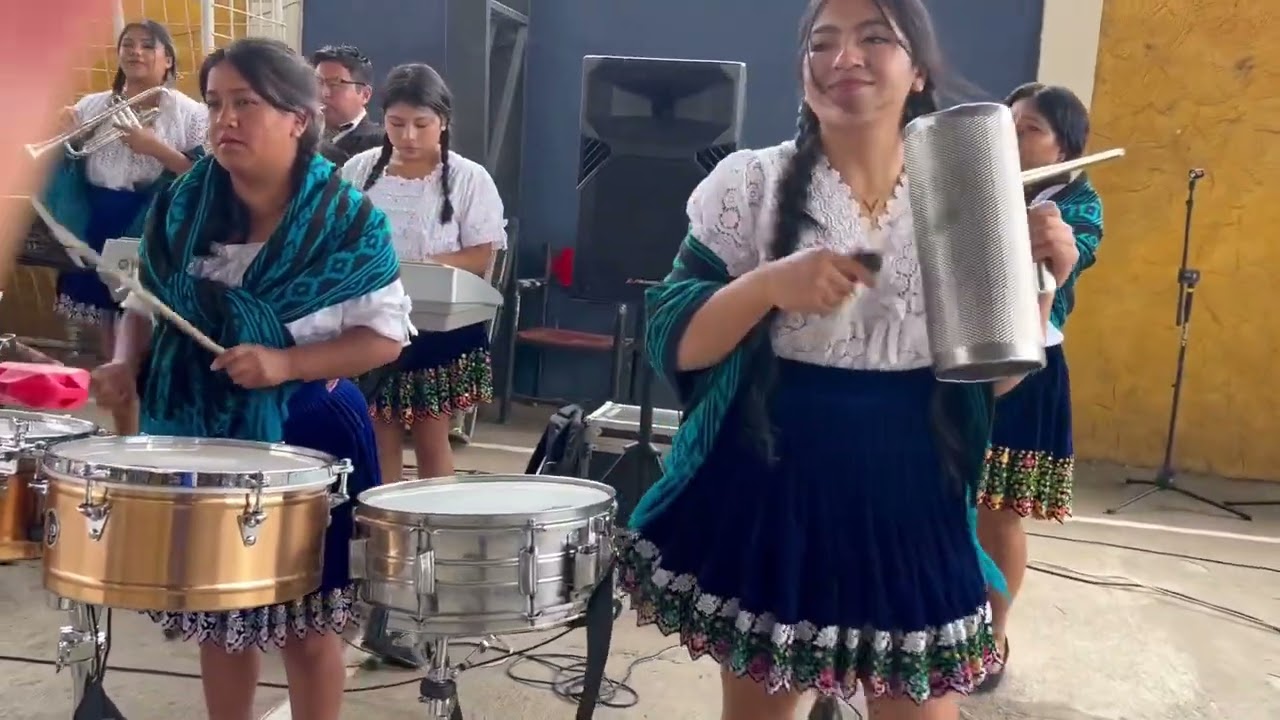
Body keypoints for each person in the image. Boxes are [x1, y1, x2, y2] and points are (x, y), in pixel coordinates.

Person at [615, 1, 1080, 719]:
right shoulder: (751, 184)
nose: (844, 58)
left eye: (874, 38)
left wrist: (1045, 282)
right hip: (775, 479)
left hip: (914, 483)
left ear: (919, 70)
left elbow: (996, 381)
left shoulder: (968, 196)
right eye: (822, 43)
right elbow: (673, 338)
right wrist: (768, 286)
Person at [88, 37, 410, 720]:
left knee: (307, 631)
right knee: (221, 620)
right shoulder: (183, 203)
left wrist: (286, 364)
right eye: (214, 104)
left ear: (298, 118)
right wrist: (123, 361)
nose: (225, 119)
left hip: (309, 440)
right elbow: (146, 298)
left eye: (246, 103)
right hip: (202, 441)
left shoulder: (345, 221)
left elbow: (384, 338)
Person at [340, 63, 505, 669]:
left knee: (431, 433)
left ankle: (437, 548)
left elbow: (482, 253)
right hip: (373, 321)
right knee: (377, 429)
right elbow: (338, 236)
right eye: (396, 123)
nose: (407, 136)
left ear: (443, 123)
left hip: (440, 323)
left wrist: (423, 266)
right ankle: (389, 551)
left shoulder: (468, 177)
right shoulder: (360, 170)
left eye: (420, 124)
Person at [974, 81, 1103, 691]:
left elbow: (1074, 257)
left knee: (997, 512)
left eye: (1031, 130)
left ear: (1063, 147)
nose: (1015, 137)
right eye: (1009, 125)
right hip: (952, 362)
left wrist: (1052, 247)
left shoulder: (1077, 204)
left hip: (1028, 368)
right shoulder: (979, 183)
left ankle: (992, 637)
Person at [43, 19, 206, 434]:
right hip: (98, 218)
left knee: (143, 322)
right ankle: (122, 425)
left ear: (168, 60)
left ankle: (146, 422)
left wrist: (155, 148)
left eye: (148, 46)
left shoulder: (189, 113)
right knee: (108, 330)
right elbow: (70, 158)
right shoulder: (93, 105)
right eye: (128, 44)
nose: (135, 52)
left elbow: (203, 176)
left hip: (152, 221)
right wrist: (66, 133)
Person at [311, 44, 383, 164]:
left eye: (334, 84)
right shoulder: (299, 134)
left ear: (365, 94)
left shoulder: (380, 143)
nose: (324, 93)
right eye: (318, 82)